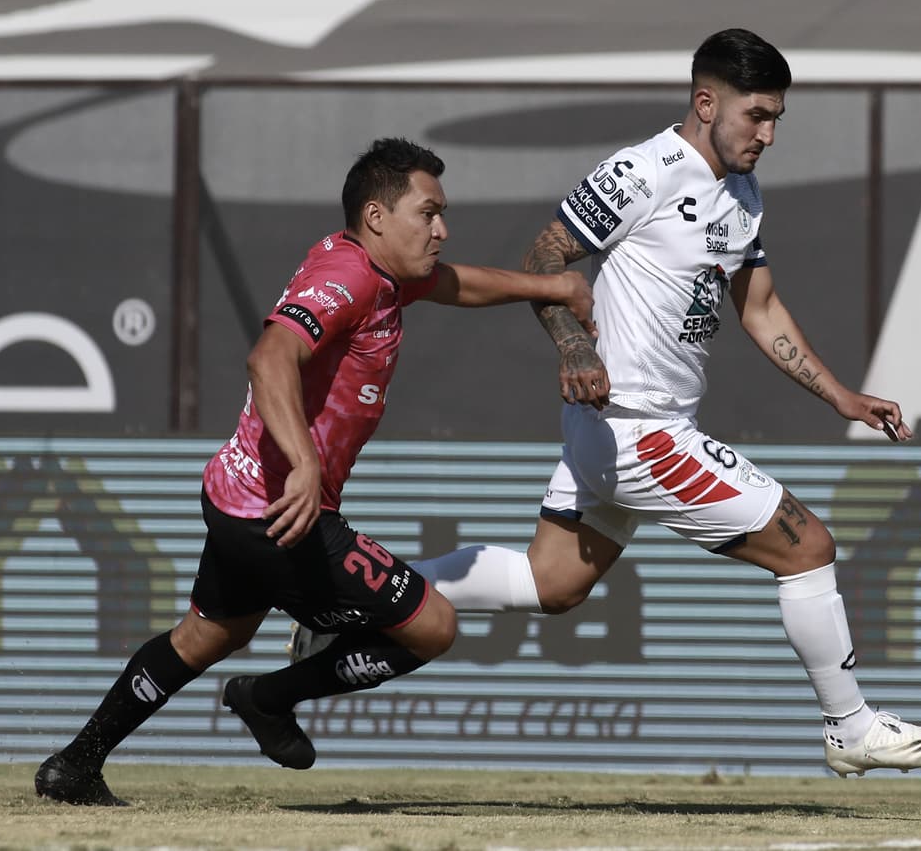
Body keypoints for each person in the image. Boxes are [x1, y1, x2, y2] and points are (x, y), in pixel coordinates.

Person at [382, 28, 921, 778]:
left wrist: (842, 396)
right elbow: (545, 257)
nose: (769, 133)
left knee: (550, 582)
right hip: (636, 428)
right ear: (704, 101)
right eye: (756, 114)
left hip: (628, 430)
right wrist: (576, 347)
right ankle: (850, 726)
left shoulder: (742, 194)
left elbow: (761, 310)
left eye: (778, 117)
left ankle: (366, 597)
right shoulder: (643, 170)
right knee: (808, 546)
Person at [34, 137, 595, 806]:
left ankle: (74, 763)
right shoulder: (350, 278)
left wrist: (550, 284)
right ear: (377, 216)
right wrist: (302, 464)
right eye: (430, 212)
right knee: (431, 625)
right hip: (285, 515)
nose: (442, 228)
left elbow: (454, 283)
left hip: (238, 498)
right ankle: (266, 697)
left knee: (209, 633)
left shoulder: (377, 270)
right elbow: (269, 357)